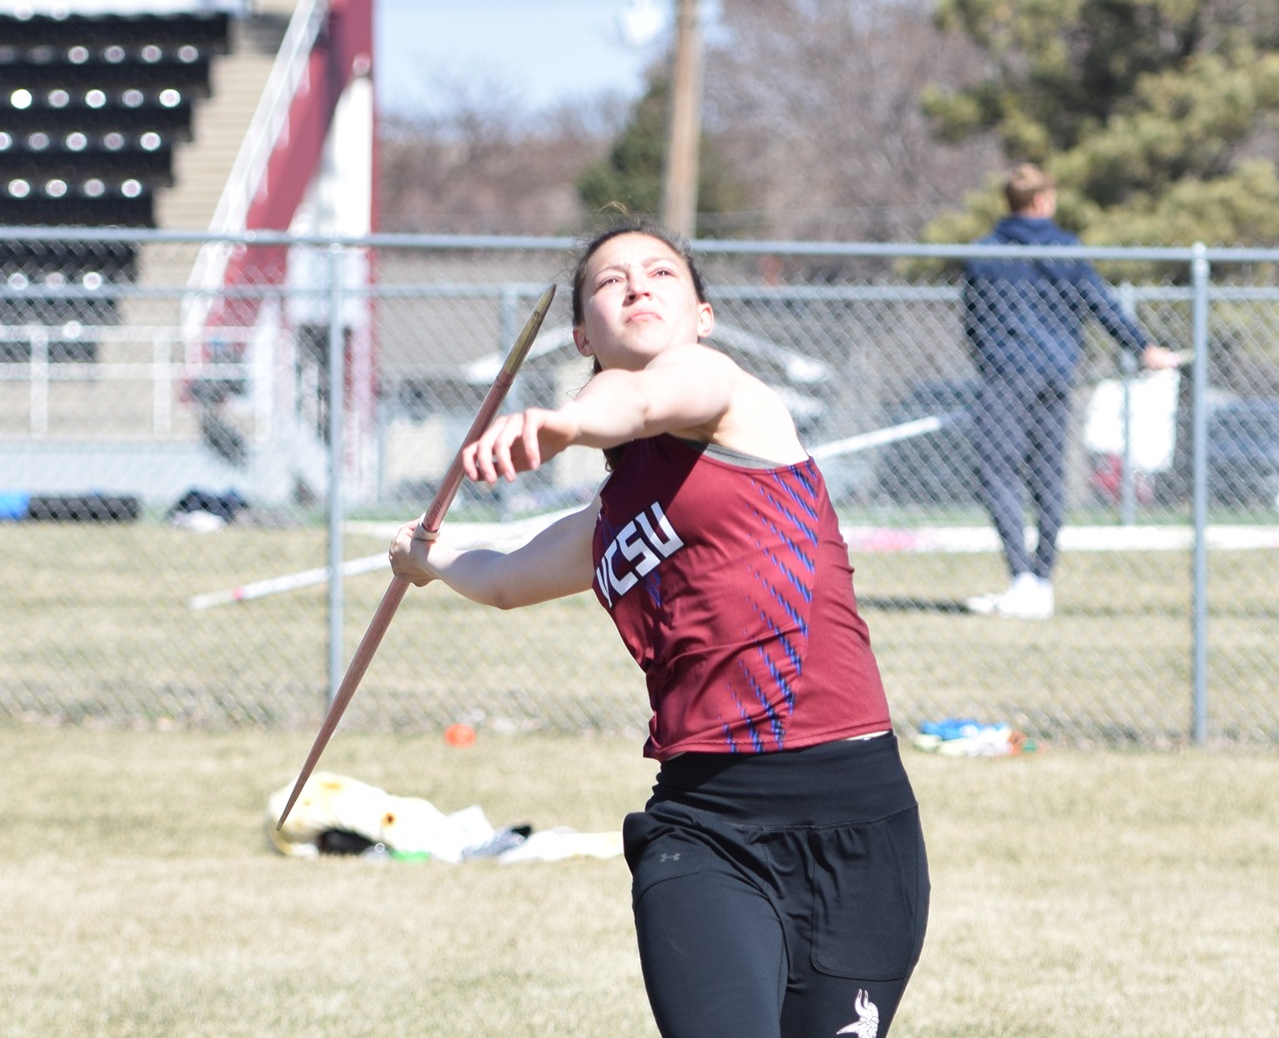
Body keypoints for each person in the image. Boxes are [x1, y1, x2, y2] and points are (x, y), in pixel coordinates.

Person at [388, 221, 930, 1038]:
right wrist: (430, 560)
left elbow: (637, 399)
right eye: (610, 282)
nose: (636, 286)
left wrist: (564, 424)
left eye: (658, 273)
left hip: (853, 821)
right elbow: (504, 580)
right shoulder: (609, 515)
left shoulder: (729, 396)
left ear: (702, 315)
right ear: (582, 334)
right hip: (703, 824)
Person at [961, 163, 1178, 619]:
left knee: (999, 472)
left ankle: (1025, 578)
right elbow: (1100, 303)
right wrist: (1143, 347)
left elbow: (973, 318)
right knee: (1046, 474)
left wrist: (988, 357)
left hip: (1005, 374)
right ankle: (1038, 579)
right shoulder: (1062, 250)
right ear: (1042, 201)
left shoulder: (985, 251)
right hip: (1053, 375)